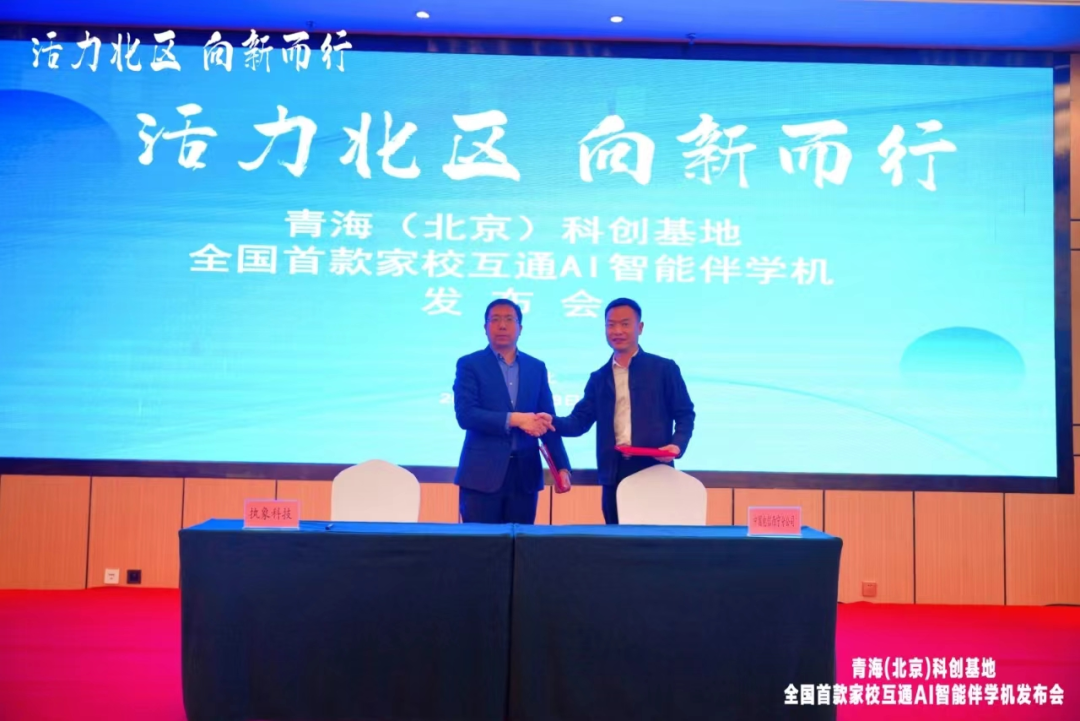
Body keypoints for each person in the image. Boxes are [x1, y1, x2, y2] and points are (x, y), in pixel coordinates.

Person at [553, 298, 695, 524]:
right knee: (616, 539)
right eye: (611, 325)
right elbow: (578, 422)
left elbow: (685, 413)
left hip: (655, 469)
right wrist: (549, 421)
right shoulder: (599, 378)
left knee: (654, 538)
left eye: (625, 324)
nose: (617, 331)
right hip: (614, 472)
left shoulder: (663, 369)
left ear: (640, 328)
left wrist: (677, 445)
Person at [453, 299, 571, 524]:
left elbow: (547, 420)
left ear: (520, 328)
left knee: (521, 543)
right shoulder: (470, 364)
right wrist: (514, 419)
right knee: (479, 543)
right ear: (485, 327)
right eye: (495, 319)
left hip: (525, 475)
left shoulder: (536, 367)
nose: (502, 325)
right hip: (481, 474)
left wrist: (561, 467)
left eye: (509, 319)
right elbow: (466, 415)